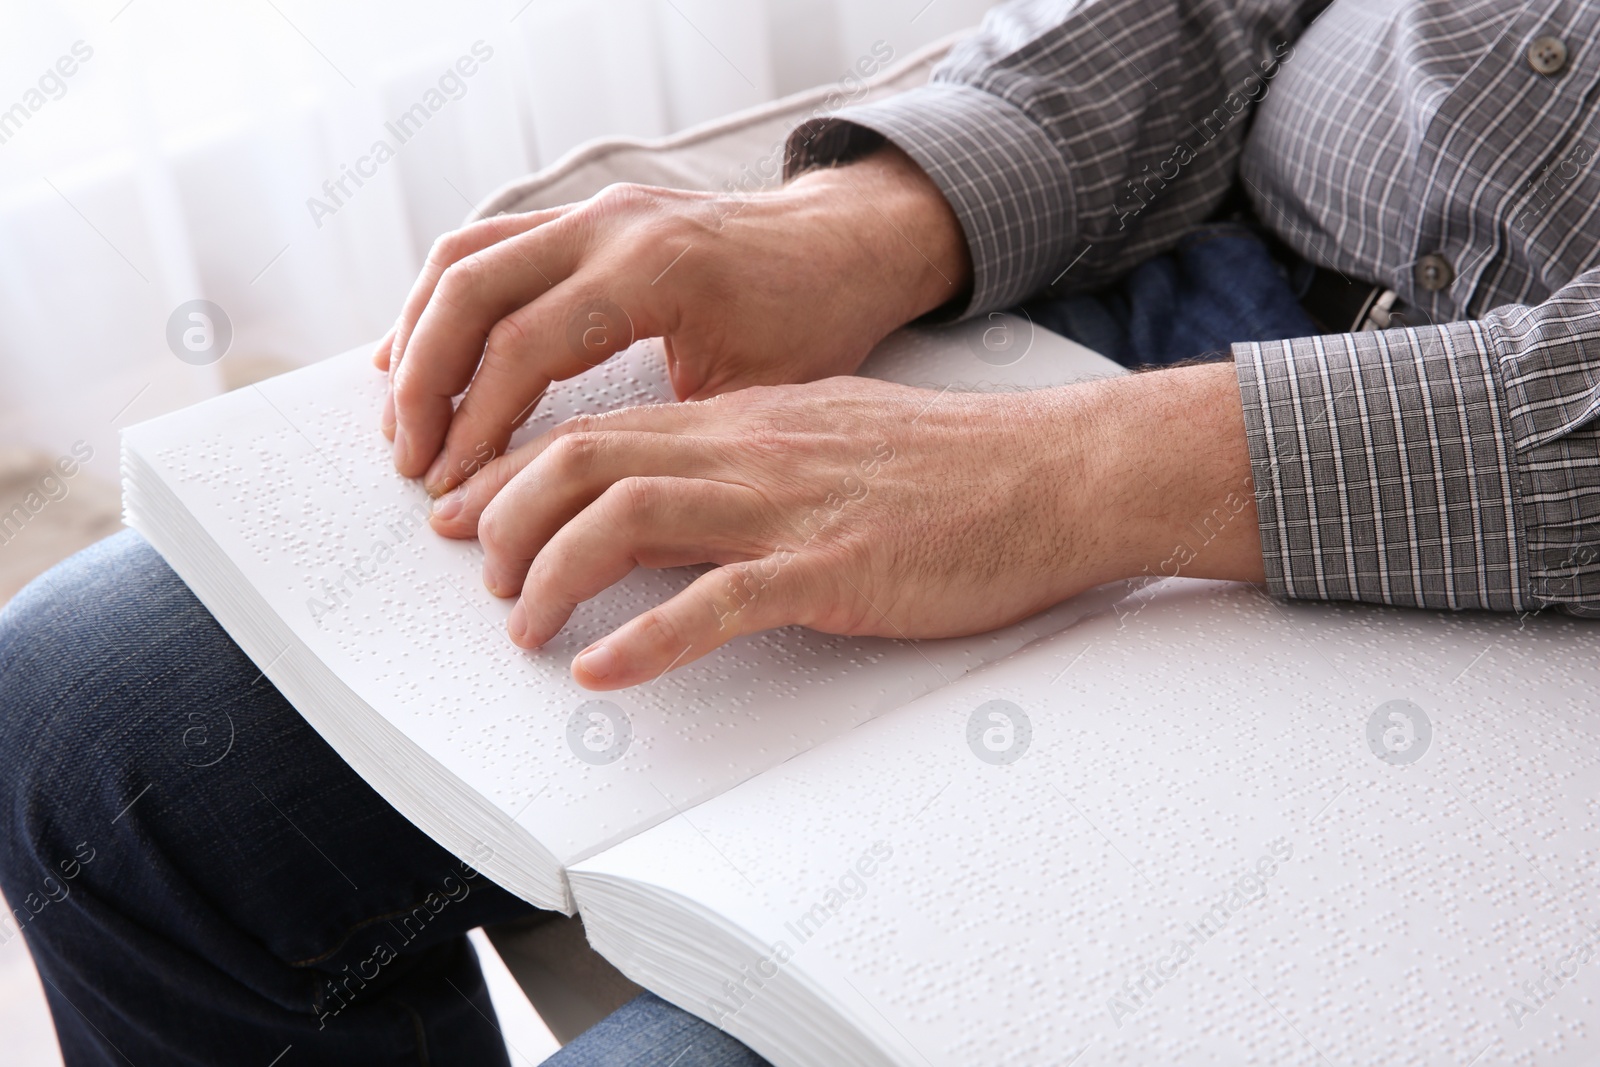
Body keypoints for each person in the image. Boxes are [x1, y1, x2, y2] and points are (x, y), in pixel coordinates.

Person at [2, 0, 1596, 1062]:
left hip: (1525, 569)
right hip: (1194, 275)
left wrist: (1069, 477)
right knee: (86, 717)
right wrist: (883, 214)